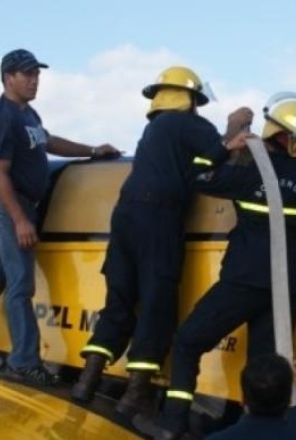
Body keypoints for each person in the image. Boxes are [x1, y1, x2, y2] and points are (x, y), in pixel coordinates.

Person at [132, 91, 296, 440]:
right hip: (286, 289)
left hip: (242, 281)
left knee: (187, 342)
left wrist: (227, 146)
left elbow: (198, 175)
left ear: (272, 132)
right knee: (265, 371)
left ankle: (171, 426)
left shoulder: (250, 171)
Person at [69, 66, 253, 412]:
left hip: (125, 215)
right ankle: (135, 394)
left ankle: (86, 380)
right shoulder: (191, 125)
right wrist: (236, 125)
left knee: (120, 299)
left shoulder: (153, 130)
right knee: (157, 300)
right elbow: (217, 155)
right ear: (191, 99)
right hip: (160, 217)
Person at [0, 49, 120, 387]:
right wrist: (21, 220)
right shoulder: (0, 115)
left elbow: (48, 142)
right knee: (20, 285)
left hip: (10, 207)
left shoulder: (29, 115)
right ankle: (24, 361)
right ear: (8, 77)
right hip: (8, 205)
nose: (35, 80)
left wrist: (93, 150)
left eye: (37, 74)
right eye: (27, 74)